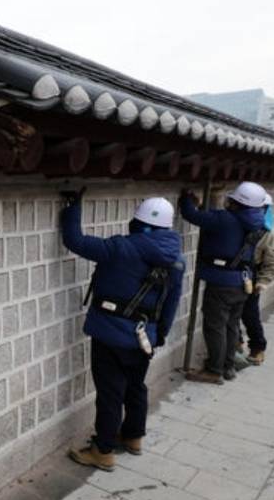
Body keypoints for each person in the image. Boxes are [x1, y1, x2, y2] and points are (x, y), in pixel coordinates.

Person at [60, 189, 185, 471]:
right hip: (145, 337)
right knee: (135, 387)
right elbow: (171, 302)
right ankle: (133, 437)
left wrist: (73, 205)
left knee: (110, 392)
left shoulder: (120, 247)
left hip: (110, 333)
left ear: (138, 223)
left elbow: (74, 240)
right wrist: (158, 335)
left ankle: (102, 451)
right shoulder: (177, 260)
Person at [180, 181, 267, 384]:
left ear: (236, 201)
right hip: (242, 280)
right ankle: (228, 367)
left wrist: (187, 200)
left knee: (215, 326)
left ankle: (214, 370)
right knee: (231, 326)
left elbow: (191, 216)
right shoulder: (256, 221)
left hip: (221, 282)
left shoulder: (225, 219)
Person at [238, 192, 274, 366]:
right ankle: (236, 343)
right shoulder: (238, 224)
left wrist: (263, 282)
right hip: (233, 272)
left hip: (252, 275)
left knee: (249, 314)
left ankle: (258, 348)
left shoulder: (271, 232)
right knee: (229, 314)